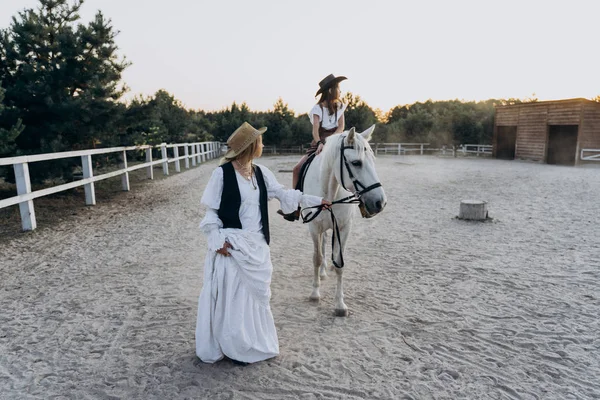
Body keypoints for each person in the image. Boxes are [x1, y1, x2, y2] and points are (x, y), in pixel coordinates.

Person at [196, 121, 331, 365]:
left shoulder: (260, 172)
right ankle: (232, 345)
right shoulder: (221, 174)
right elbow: (210, 213)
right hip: (233, 247)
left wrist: (317, 200)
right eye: (260, 140)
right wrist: (217, 241)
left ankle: (252, 342)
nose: (263, 143)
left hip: (257, 247)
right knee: (234, 298)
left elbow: (284, 195)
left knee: (255, 298)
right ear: (251, 146)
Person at [278, 74, 347, 222]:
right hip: (319, 141)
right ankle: (295, 208)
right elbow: (315, 130)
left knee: (353, 160)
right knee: (297, 168)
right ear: (330, 91)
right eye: (338, 88)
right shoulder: (317, 108)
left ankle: (361, 200)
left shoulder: (341, 106)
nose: (340, 92)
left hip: (335, 140)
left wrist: (331, 141)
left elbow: (341, 127)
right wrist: (320, 143)